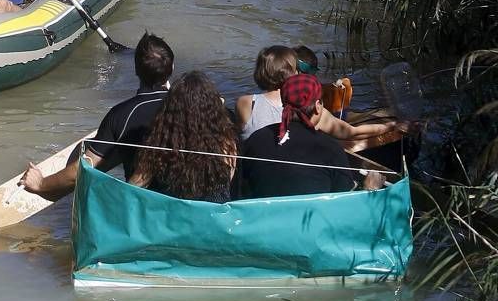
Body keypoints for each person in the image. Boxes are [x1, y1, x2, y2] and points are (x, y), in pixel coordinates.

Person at [21, 32, 176, 199]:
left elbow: (82, 169)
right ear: (172, 68)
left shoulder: (123, 115)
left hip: (148, 206)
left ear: (136, 70)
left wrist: (40, 184)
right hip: (196, 201)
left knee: (94, 147)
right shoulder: (191, 108)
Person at [235, 44, 405, 152]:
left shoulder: (245, 103)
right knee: (339, 144)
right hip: (295, 170)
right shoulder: (309, 108)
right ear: (294, 74)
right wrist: (392, 125)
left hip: (255, 172)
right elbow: (351, 133)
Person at [242, 74, 382, 198]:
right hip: (312, 225)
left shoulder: (255, 139)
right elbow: (345, 205)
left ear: (284, 104)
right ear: (317, 106)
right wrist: (369, 189)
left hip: (265, 223)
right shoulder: (330, 148)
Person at [130, 72, 238, 202]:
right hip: (214, 217)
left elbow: (135, 186)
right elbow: (228, 180)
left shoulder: (160, 143)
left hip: (173, 218)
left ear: (170, 108)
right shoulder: (226, 141)